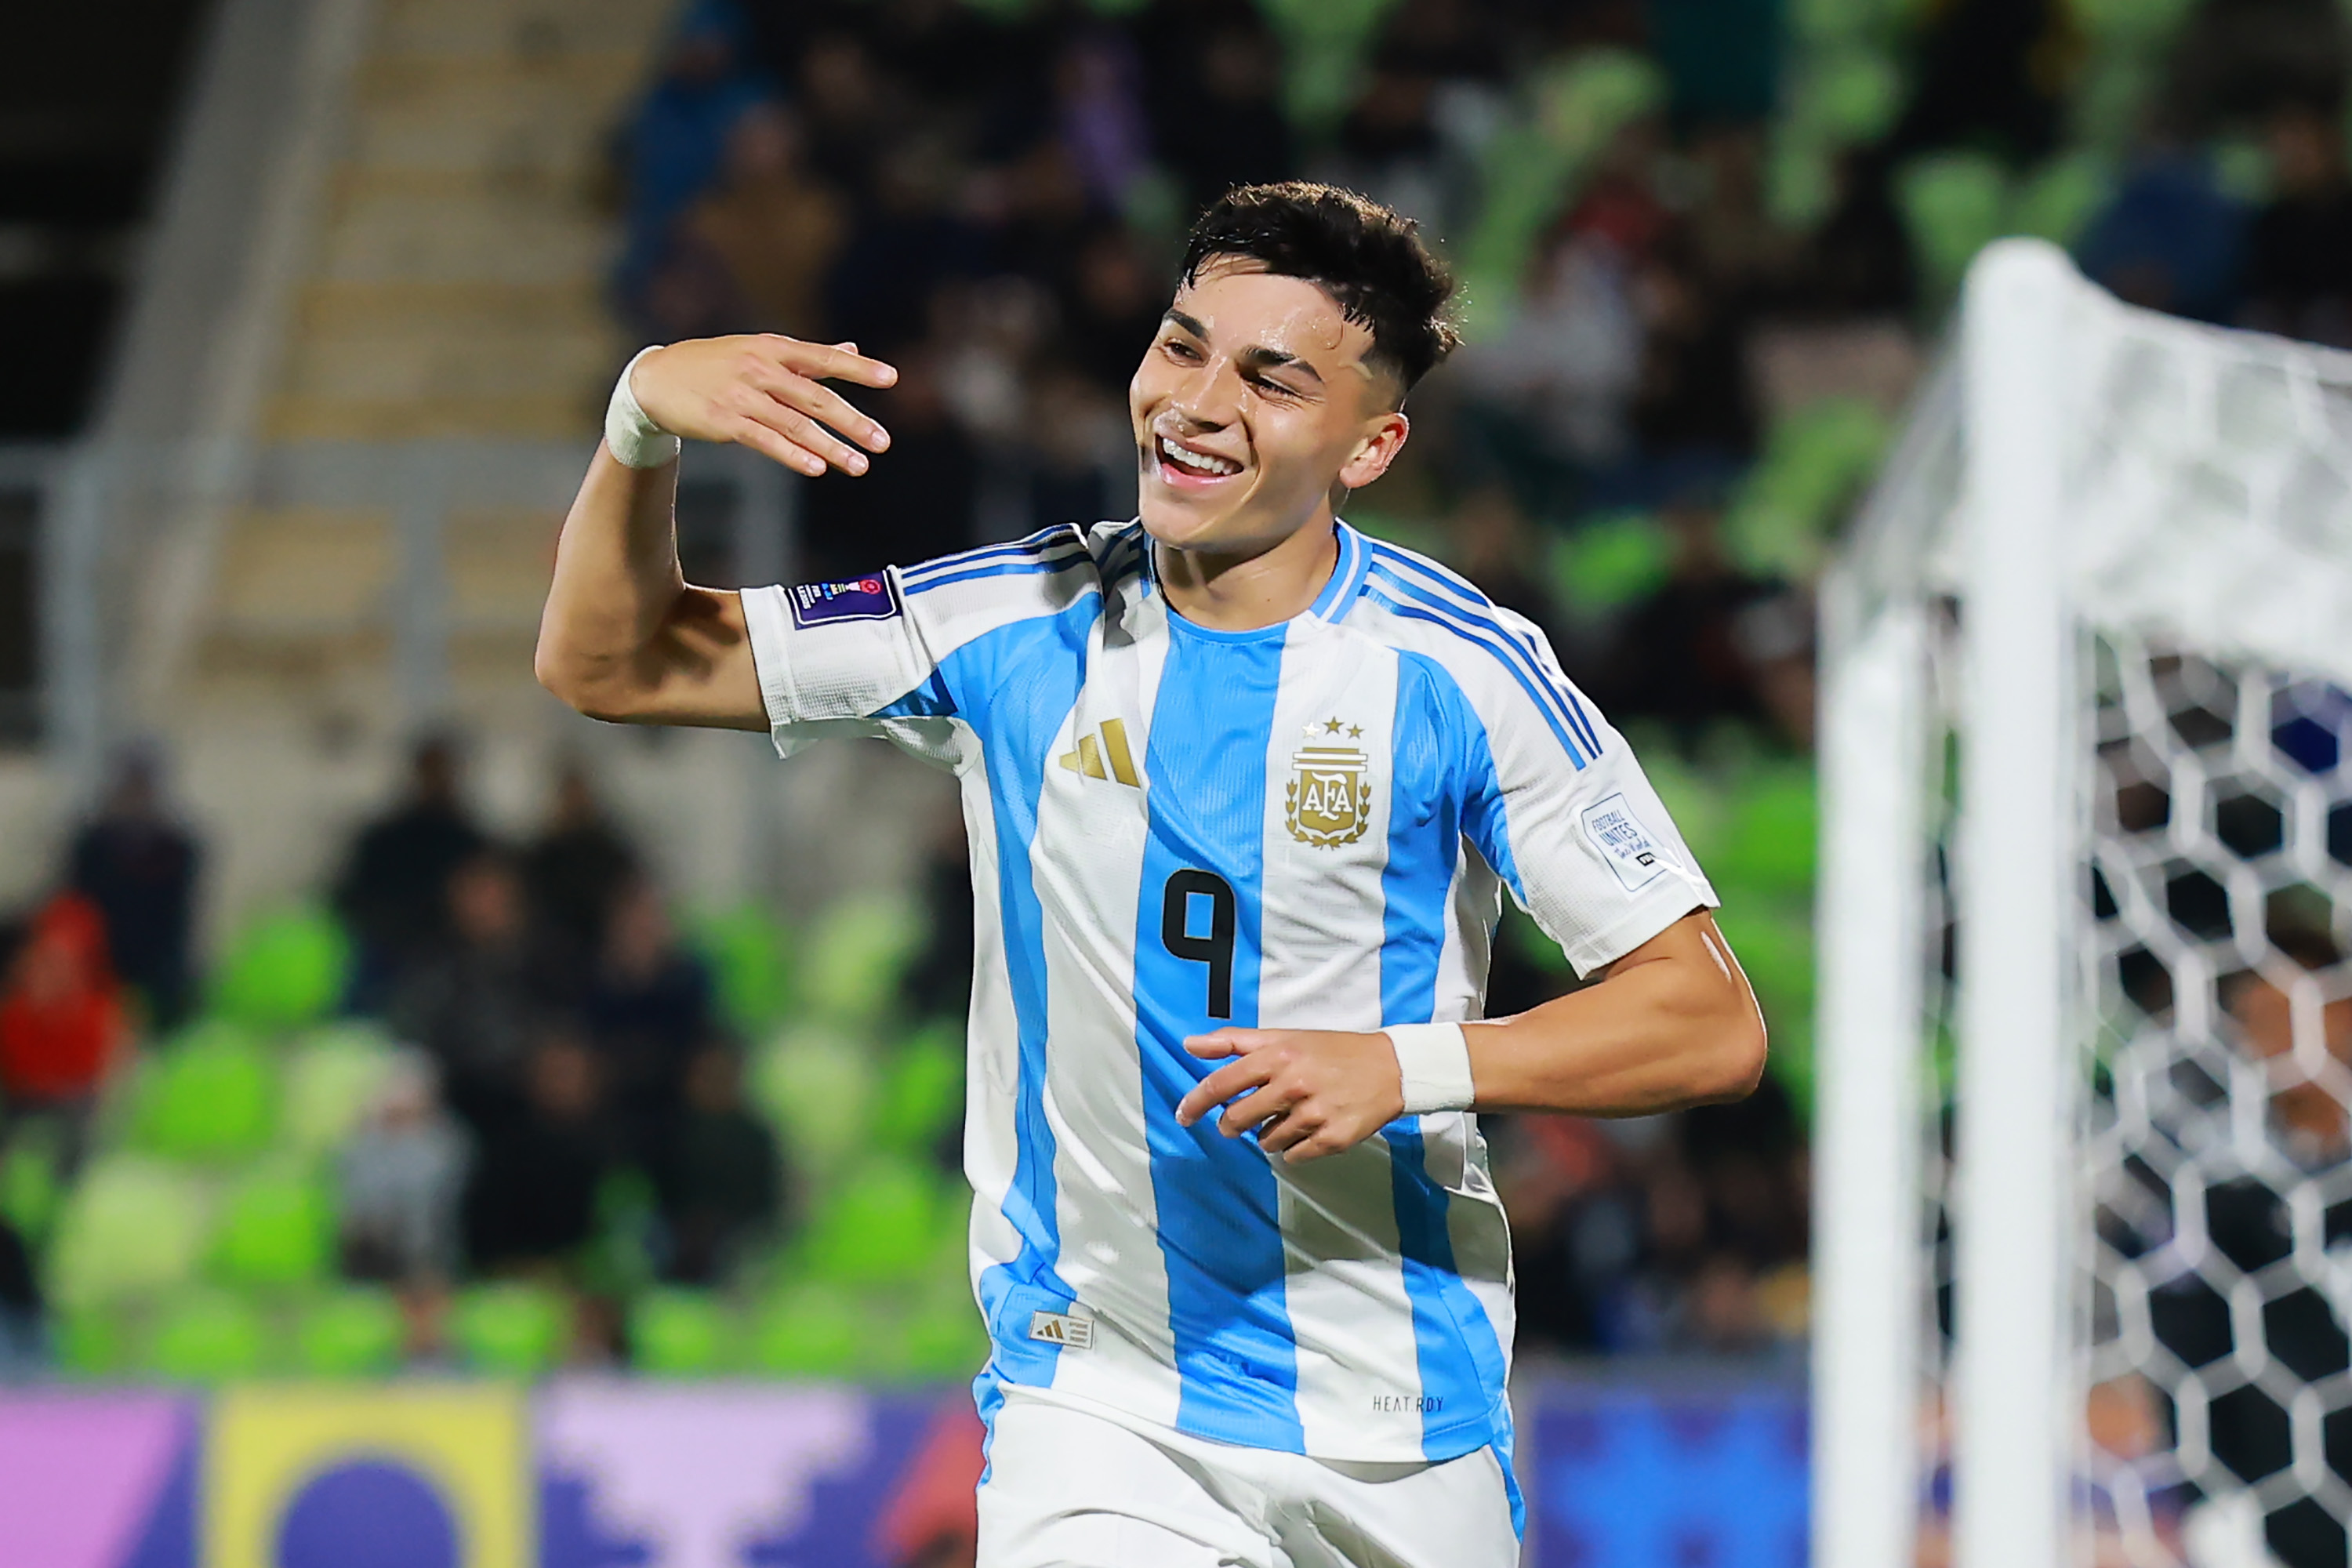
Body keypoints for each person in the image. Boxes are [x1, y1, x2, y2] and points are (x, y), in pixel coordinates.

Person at [535, 181, 1766, 1568]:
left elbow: (1708, 1020)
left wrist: (1403, 1066)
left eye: (1272, 379)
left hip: (1400, 1418)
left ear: (1372, 445)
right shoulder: (1011, 615)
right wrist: (640, 420)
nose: (1197, 403)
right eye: (1182, 346)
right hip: (1099, 1405)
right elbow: (609, 662)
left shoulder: (1463, 674)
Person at [67, 747, 201, 1028]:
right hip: (98, 971)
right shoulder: (92, 846)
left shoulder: (177, 850)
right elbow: (79, 916)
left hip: (157, 975)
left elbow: (178, 926)